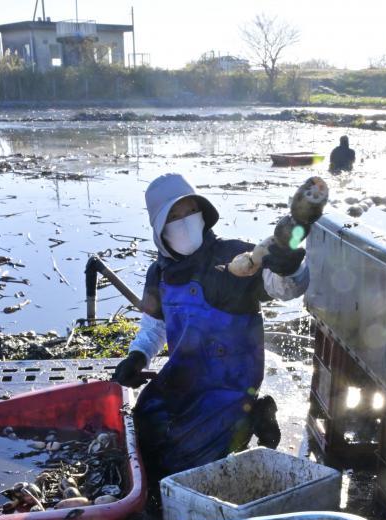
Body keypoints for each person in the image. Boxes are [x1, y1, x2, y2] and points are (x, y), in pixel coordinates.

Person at [113, 173, 309, 482]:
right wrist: (137, 356)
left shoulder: (236, 257)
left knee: (183, 460)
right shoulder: (160, 274)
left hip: (230, 382)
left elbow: (283, 289)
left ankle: (250, 413)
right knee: (144, 426)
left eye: (190, 211)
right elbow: (153, 327)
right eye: (173, 217)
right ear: (159, 228)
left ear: (203, 212)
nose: (184, 222)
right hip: (183, 378)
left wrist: (289, 267)